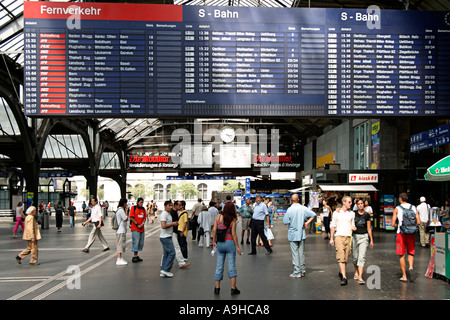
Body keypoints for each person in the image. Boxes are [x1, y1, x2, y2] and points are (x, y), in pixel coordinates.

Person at [283, 194, 316, 278]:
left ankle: (297, 271)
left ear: (291, 200)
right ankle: (302, 270)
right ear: (298, 199)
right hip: (301, 233)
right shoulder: (303, 208)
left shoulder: (289, 210)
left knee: (295, 253)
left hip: (292, 234)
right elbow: (313, 214)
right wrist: (307, 223)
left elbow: (285, 221)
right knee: (301, 253)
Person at [212, 202, 242, 295]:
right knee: (231, 266)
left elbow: (214, 230)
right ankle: (233, 289)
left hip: (220, 244)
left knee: (219, 266)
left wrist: (214, 241)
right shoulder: (232, 219)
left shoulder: (218, 217)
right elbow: (233, 234)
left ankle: (217, 288)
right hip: (229, 243)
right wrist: (237, 247)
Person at [392, 192, 421, 282]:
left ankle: (404, 276)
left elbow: (392, 224)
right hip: (412, 233)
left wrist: (398, 224)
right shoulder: (413, 207)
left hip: (401, 233)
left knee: (401, 254)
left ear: (400, 199)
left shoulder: (397, 209)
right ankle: (411, 268)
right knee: (411, 252)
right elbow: (418, 222)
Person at [329, 195, 356, 286]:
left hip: (348, 237)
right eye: (349, 202)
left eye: (351, 202)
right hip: (339, 237)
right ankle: (344, 277)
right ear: (343, 202)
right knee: (341, 257)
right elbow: (333, 225)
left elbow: (352, 224)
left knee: (346, 256)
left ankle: (341, 271)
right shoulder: (336, 213)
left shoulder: (352, 213)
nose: (351, 203)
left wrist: (353, 227)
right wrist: (331, 238)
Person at [352, 199, 374, 285]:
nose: (360, 205)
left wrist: (371, 239)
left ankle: (360, 277)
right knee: (355, 257)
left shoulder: (367, 215)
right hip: (355, 236)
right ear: (357, 205)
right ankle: (356, 271)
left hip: (364, 236)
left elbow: (369, 228)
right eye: (359, 204)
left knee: (362, 257)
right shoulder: (353, 214)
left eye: (362, 203)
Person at [160, 200, 179, 278]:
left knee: (166, 254)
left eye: (171, 206)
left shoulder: (168, 214)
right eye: (169, 206)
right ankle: (166, 270)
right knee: (172, 253)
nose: (171, 207)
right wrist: (173, 224)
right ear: (165, 206)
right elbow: (163, 226)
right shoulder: (164, 214)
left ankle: (163, 270)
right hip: (165, 237)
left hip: (167, 236)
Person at [170, 200, 190, 269]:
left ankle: (183, 259)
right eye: (179, 205)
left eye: (180, 205)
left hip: (178, 231)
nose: (179, 206)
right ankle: (181, 261)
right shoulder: (175, 212)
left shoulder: (182, 213)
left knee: (179, 246)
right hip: (174, 231)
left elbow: (185, 223)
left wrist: (181, 231)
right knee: (177, 246)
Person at [129, 197, 147, 263]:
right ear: (137, 202)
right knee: (135, 242)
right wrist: (137, 225)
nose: (141, 204)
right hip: (135, 228)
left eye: (142, 202)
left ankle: (136, 255)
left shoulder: (143, 209)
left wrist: (142, 223)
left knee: (140, 242)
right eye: (140, 202)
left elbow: (144, 217)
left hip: (141, 228)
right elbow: (131, 217)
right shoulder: (133, 208)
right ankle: (134, 256)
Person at [115, 198, 129, 266]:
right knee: (120, 245)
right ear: (124, 203)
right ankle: (118, 259)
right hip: (121, 230)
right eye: (126, 203)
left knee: (121, 244)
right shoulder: (121, 211)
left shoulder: (118, 210)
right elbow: (125, 219)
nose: (126, 205)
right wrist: (126, 211)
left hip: (120, 230)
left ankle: (120, 258)